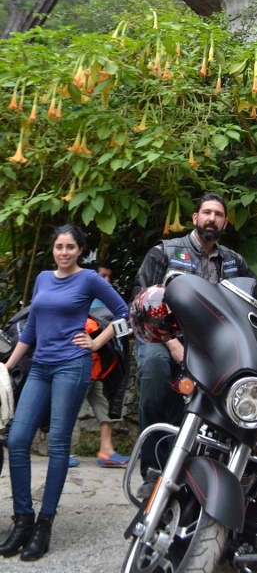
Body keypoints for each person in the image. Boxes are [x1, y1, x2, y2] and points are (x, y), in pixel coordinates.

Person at [0, 224, 129, 562]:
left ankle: (44, 525)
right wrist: (7, 367)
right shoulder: (43, 278)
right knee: (17, 440)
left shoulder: (89, 279)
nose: (64, 252)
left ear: (80, 250)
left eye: (70, 247)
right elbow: (31, 328)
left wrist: (97, 342)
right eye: (59, 246)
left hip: (72, 366)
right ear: (54, 249)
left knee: (58, 443)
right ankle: (23, 521)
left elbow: (125, 313)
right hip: (40, 367)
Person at [131, 192, 254, 499]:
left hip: (209, 345)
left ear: (225, 223)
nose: (212, 218)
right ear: (195, 218)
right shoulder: (164, 252)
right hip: (161, 337)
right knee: (156, 374)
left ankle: (204, 472)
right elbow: (139, 303)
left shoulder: (234, 262)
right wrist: (171, 342)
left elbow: (256, 299)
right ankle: (153, 472)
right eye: (207, 212)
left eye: (218, 214)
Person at [85, 264, 130, 468]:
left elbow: (120, 327)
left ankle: (106, 450)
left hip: (100, 366)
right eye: (102, 276)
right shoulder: (83, 296)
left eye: (109, 276)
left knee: (104, 403)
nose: (107, 280)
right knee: (68, 407)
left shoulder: (112, 302)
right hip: (82, 364)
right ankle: (60, 452)